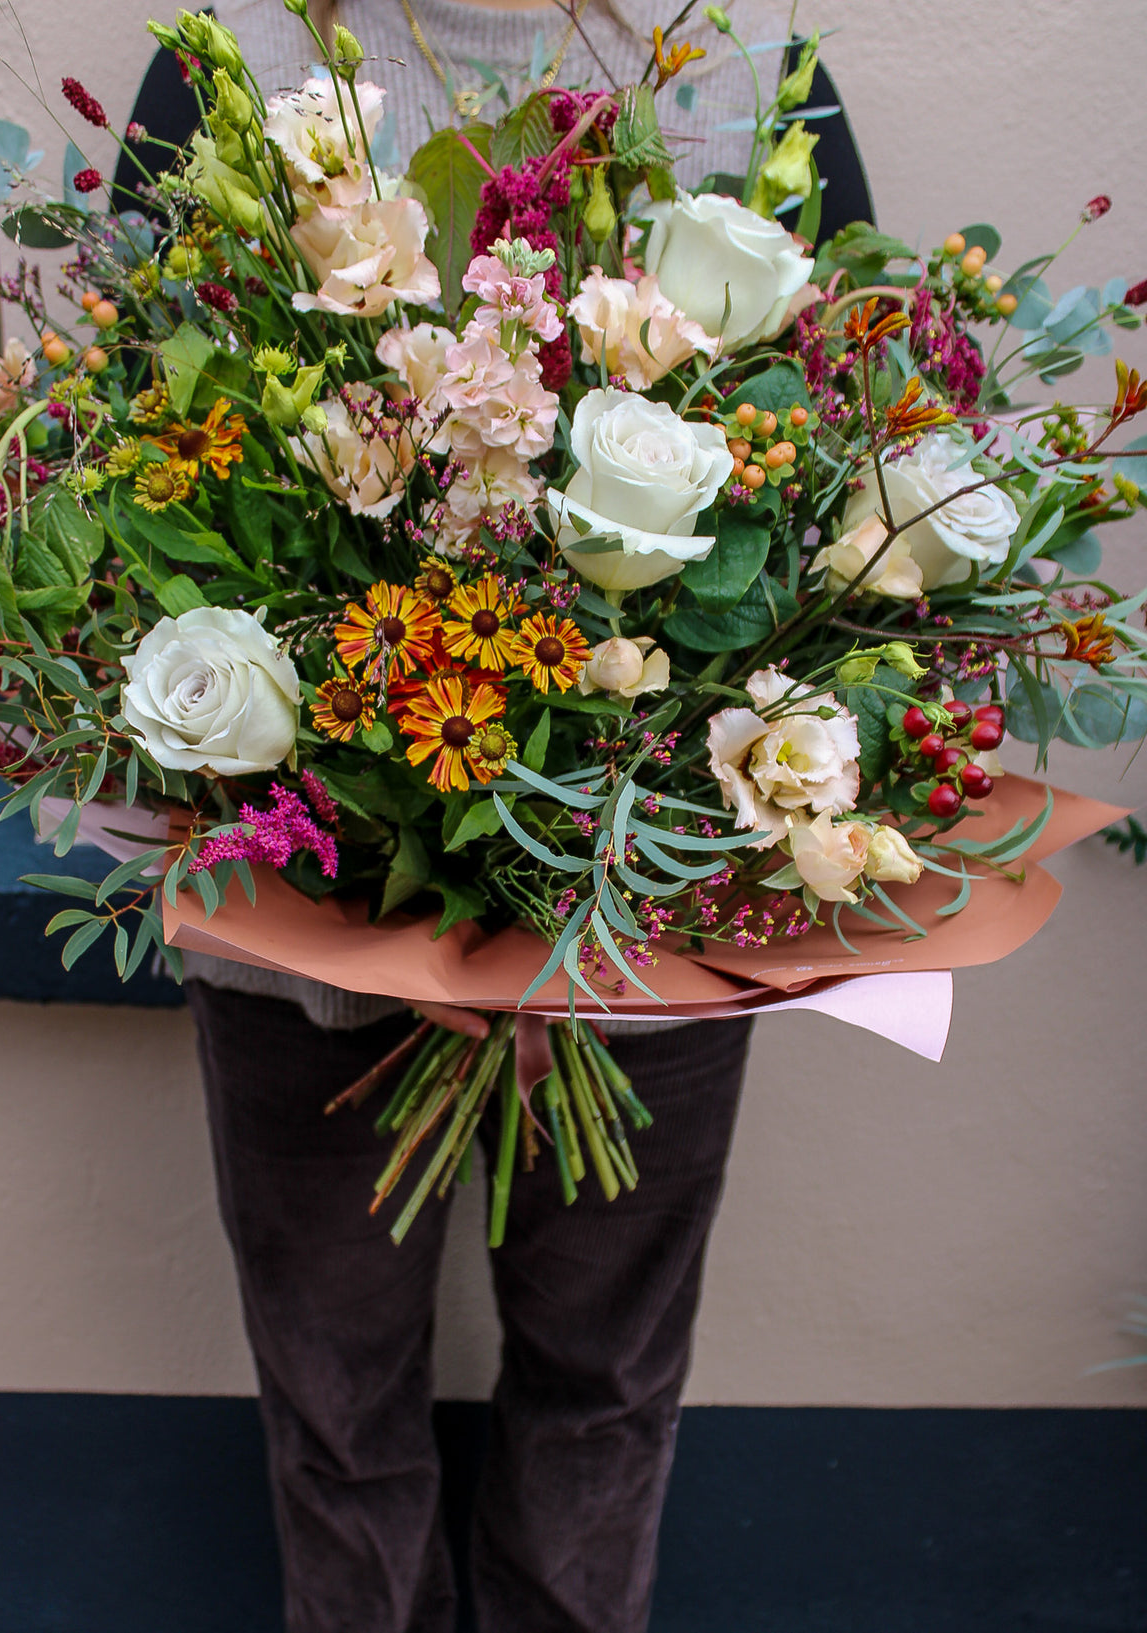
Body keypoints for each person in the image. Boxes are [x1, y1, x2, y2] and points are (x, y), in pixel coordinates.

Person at [184, 4, 790, 1630]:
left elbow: (808, 448)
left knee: (606, 1396)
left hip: (645, 914)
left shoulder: (726, 59)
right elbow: (163, 443)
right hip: (308, 927)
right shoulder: (238, 51)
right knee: (335, 1410)